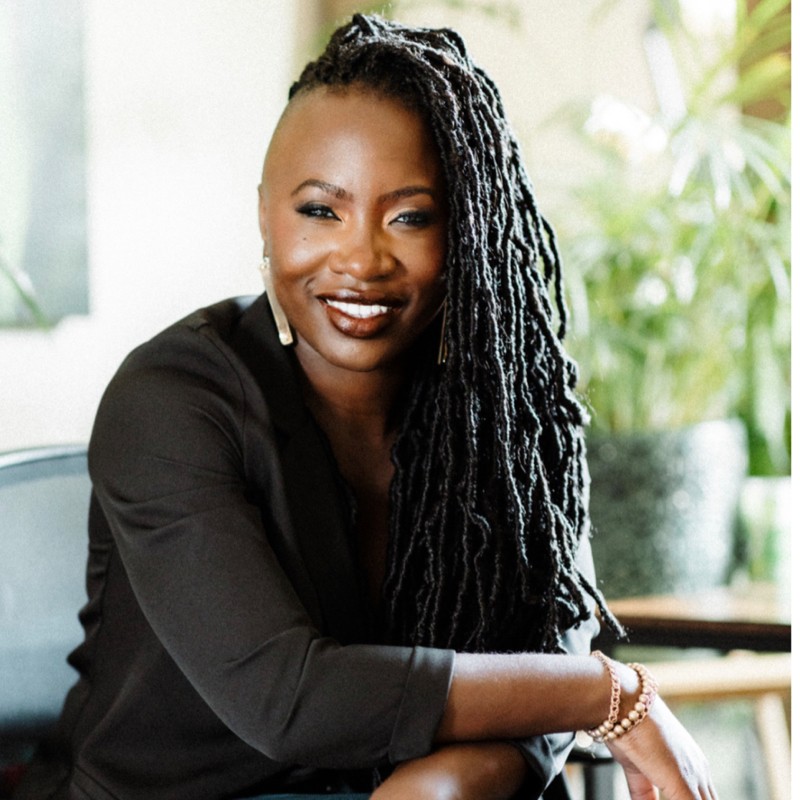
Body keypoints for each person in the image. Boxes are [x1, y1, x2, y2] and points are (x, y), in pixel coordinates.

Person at [15, 14, 716, 800]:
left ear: (466, 232)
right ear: (265, 215)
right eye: (321, 211)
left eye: (410, 217)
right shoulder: (172, 399)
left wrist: (458, 779)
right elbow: (290, 700)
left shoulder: (505, 410)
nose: (360, 259)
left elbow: (552, 644)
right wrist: (610, 694)